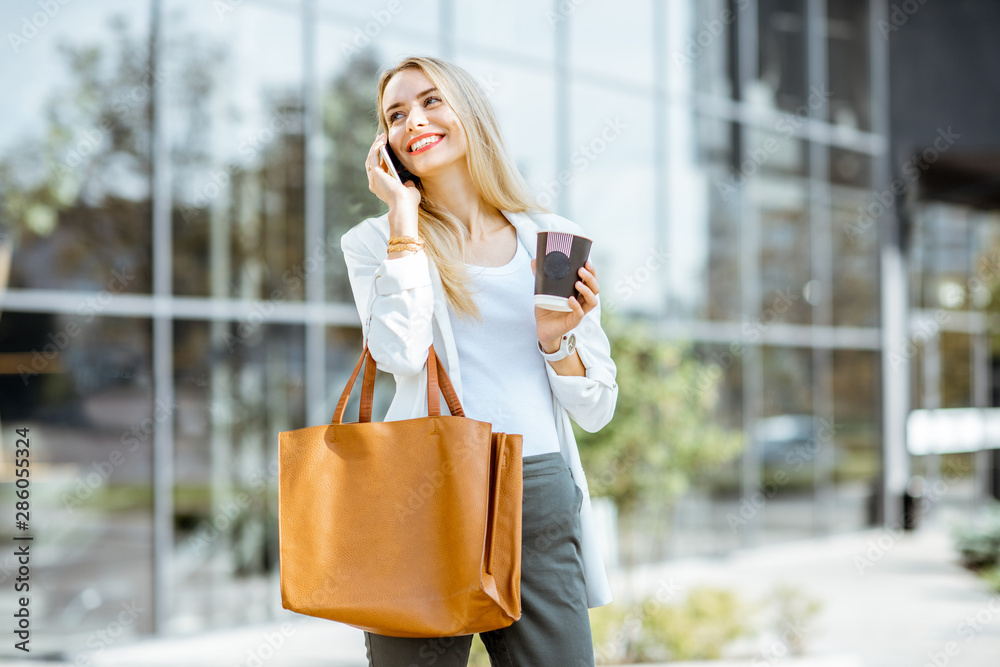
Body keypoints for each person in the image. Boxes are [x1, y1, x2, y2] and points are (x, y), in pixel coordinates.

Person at [341, 55, 618, 667]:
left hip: (537, 487)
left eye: (431, 101)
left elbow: (597, 407)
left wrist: (557, 339)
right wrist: (403, 223)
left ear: (470, 110)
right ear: (384, 145)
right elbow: (399, 352)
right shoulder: (373, 240)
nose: (413, 121)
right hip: (423, 492)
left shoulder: (554, 238)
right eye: (395, 114)